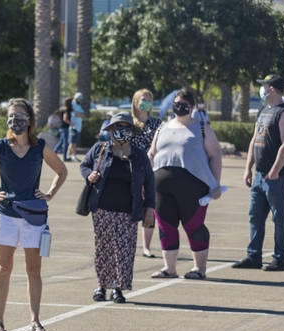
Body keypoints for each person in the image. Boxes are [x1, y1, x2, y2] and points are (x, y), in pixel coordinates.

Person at [0, 98, 67, 331]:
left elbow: (62, 171)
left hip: (33, 216)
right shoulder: (1, 146)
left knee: (33, 269)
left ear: (29, 120)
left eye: (20, 116)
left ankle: (35, 321)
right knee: (3, 267)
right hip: (5, 214)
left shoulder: (39, 147)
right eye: (11, 116)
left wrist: (50, 194)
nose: (15, 121)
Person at [147, 87, 222, 280]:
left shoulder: (202, 127)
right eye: (176, 104)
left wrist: (215, 184)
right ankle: (169, 269)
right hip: (161, 188)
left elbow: (215, 155)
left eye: (184, 105)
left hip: (193, 188)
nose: (179, 108)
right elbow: (151, 154)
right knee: (166, 227)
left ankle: (199, 269)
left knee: (194, 227)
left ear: (193, 106)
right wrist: (144, 181)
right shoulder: (162, 127)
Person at [80, 113, 156, 304]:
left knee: (124, 250)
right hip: (102, 208)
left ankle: (118, 288)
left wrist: (150, 209)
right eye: (117, 128)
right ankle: (101, 286)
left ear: (131, 132)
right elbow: (84, 165)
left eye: (125, 128)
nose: (121, 132)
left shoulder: (139, 155)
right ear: (111, 130)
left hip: (128, 210)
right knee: (103, 248)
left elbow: (149, 183)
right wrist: (90, 175)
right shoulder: (100, 148)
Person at [235, 74, 284, 272]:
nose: (261, 89)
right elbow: (254, 140)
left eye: (264, 86)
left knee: (279, 217)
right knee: (255, 216)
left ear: (271, 89)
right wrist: (248, 169)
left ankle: (280, 259)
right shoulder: (263, 110)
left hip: (276, 176)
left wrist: (275, 170)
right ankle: (254, 256)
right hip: (260, 175)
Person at [130, 88, 162, 258]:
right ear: (135, 102)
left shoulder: (157, 123)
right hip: (132, 171)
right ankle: (128, 243)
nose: (146, 102)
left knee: (150, 207)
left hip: (152, 171)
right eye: (143, 99)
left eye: (149, 99)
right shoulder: (129, 123)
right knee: (130, 207)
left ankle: (146, 247)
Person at [69, 92, 86, 159]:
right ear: (76, 98)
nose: (80, 100)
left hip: (78, 127)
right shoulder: (72, 104)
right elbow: (74, 114)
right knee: (73, 142)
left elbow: (83, 115)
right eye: (79, 99)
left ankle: (68, 155)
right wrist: (80, 114)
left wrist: (79, 114)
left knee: (73, 142)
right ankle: (73, 155)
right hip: (73, 126)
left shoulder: (79, 105)